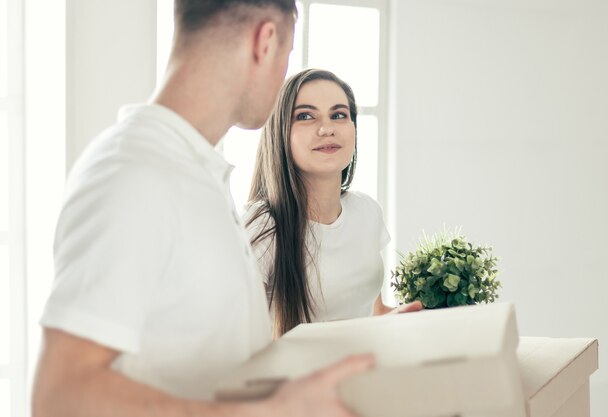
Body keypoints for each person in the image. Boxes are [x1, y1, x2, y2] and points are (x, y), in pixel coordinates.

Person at [31, 2, 377, 417]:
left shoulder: (196, 174)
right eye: (286, 58)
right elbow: (59, 396)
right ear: (265, 41)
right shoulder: (134, 173)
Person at [244, 69, 421, 337]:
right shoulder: (261, 226)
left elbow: (372, 312)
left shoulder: (367, 212)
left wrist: (418, 316)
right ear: (280, 133)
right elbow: (237, 346)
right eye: (305, 116)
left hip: (364, 372)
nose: (327, 128)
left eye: (339, 115)